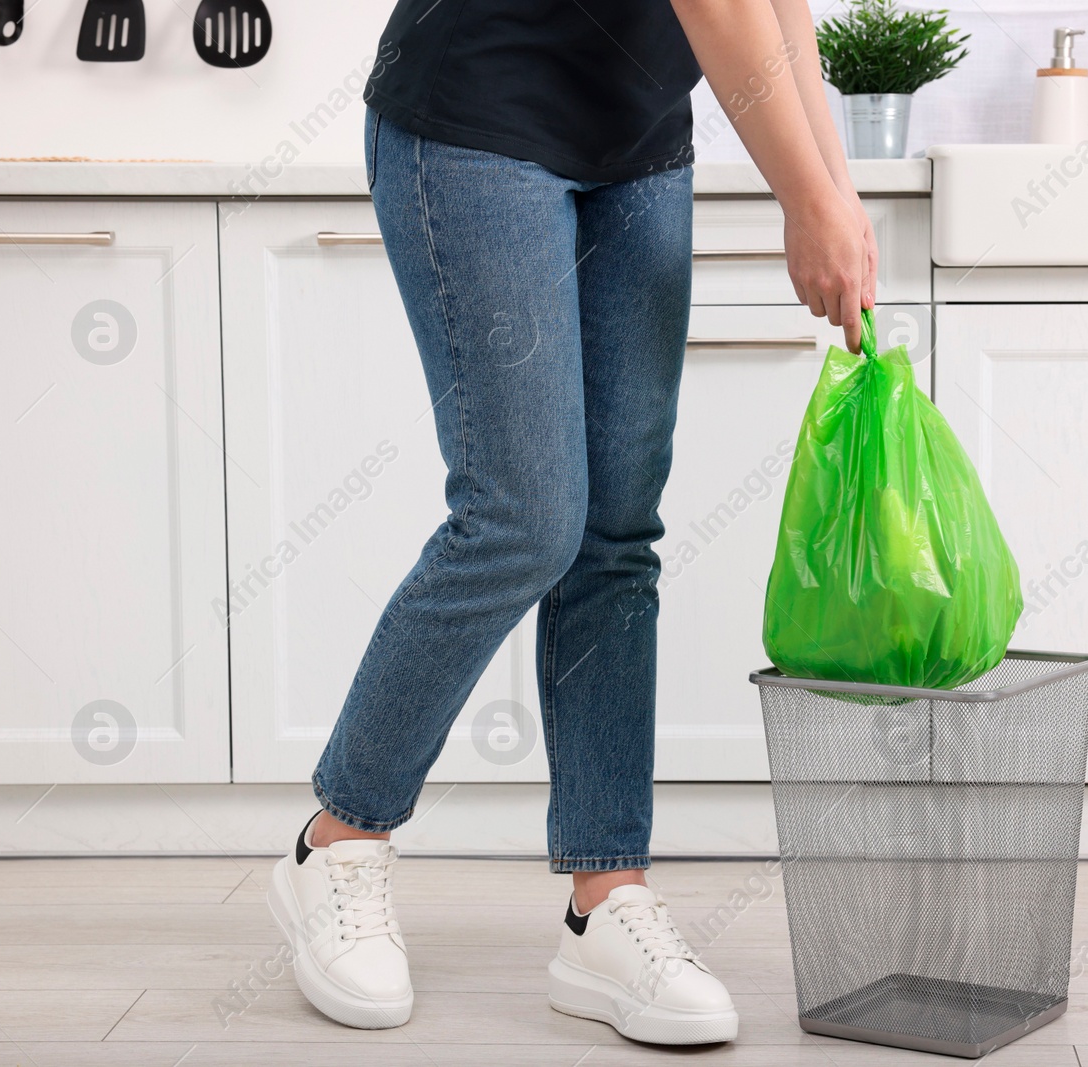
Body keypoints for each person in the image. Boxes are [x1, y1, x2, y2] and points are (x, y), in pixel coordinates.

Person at [265, 0, 878, 1043]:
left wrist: (838, 191)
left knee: (615, 535)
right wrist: (805, 196)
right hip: (476, 119)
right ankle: (339, 838)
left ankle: (606, 895)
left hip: (637, 140)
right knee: (521, 518)